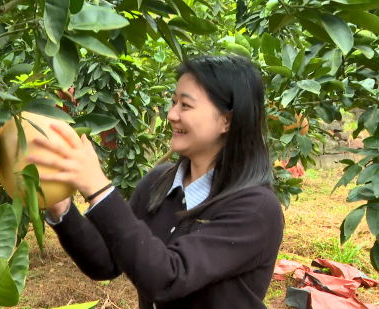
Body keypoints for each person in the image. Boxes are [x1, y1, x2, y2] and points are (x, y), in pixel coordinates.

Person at [26, 55, 285, 309]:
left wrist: (98, 187)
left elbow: (168, 279)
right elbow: (107, 261)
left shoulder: (255, 209)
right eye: (173, 102)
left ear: (226, 120)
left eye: (186, 105)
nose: (172, 114)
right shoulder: (158, 182)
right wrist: (61, 208)